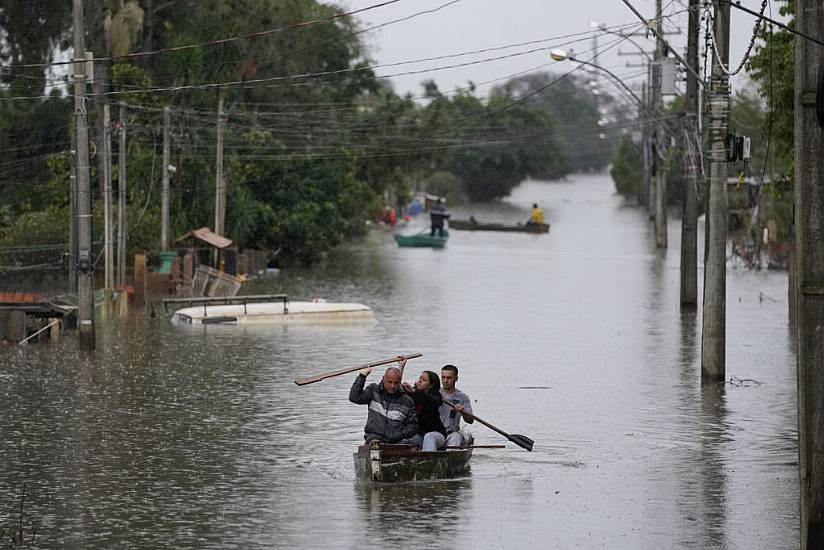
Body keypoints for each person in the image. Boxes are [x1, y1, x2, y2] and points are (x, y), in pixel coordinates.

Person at [349, 366, 417, 444]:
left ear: (400, 382)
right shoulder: (373, 391)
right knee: (375, 444)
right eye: (389, 382)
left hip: (396, 441)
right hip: (373, 439)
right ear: (383, 379)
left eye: (396, 383)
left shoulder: (407, 401)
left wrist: (400, 434)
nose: (392, 386)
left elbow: (413, 427)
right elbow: (354, 398)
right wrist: (362, 376)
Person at [401, 371, 447, 451]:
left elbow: (433, 401)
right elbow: (396, 388)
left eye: (424, 380)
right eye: (420, 378)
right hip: (420, 436)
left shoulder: (436, 396)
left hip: (436, 436)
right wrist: (401, 366)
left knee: (429, 437)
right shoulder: (413, 394)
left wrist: (415, 391)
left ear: (431, 385)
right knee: (401, 439)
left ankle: (429, 461)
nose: (420, 381)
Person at [439, 364, 474, 447]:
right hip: (436, 432)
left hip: (452, 433)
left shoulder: (463, 397)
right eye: (443, 377)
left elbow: (470, 420)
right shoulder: (435, 394)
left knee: (455, 438)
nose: (445, 381)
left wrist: (463, 411)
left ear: (456, 379)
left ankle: (451, 455)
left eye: (449, 378)